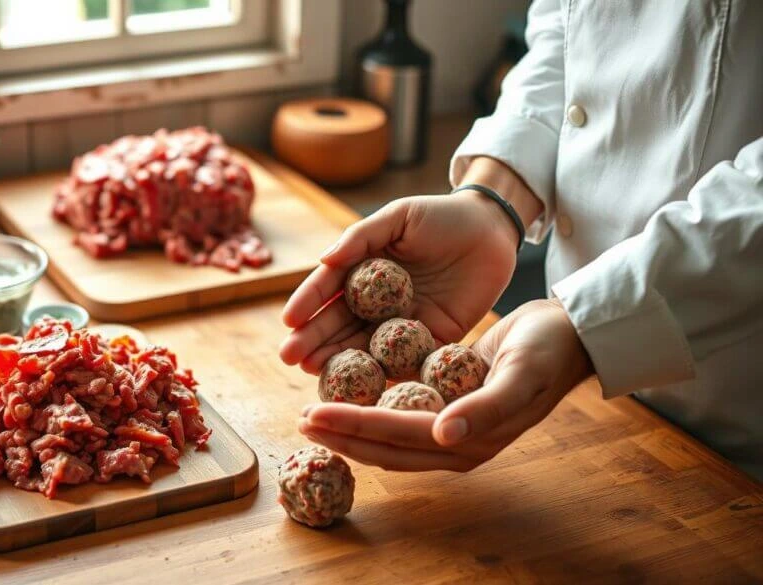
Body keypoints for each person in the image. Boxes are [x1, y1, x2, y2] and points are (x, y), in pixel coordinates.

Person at [280, 1, 763, 480]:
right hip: (593, 404)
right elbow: (569, 33)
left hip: (737, 411)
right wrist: (492, 201)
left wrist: (586, 326)